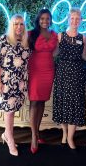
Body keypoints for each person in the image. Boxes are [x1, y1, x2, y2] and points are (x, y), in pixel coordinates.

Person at [52, 8, 86, 150]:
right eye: (72, 18)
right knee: (62, 103)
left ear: (81, 21)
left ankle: (70, 138)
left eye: (77, 19)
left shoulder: (83, 38)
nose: (75, 21)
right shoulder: (60, 36)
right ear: (68, 19)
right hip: (62, 74)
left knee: (75, 105)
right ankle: (64, 133)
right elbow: (55, 53)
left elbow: (84, 56)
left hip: (77, 75)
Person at [0, 14, 30, 156]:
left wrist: (25, 83)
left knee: (13, 110)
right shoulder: (4, 39)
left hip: (20, 83)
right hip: (7, 82)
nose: (19, 26)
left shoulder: (26, 41)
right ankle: (10, 139)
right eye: (16, 24)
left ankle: (6, 134)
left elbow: (26, 64)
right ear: (11, 25)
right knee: (8, 112)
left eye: (21, 24)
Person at [28, 9, 58, 154]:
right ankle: (34, 136)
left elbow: (56, 52)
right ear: (38, 19)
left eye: (47, 19)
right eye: (42, 18)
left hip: (49, 70)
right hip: (35, 71)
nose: (45, 21)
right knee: (34, 101)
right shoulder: (30, 34)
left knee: (42, 102)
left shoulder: (54, 35)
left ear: (51, 20)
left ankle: (38, 132)